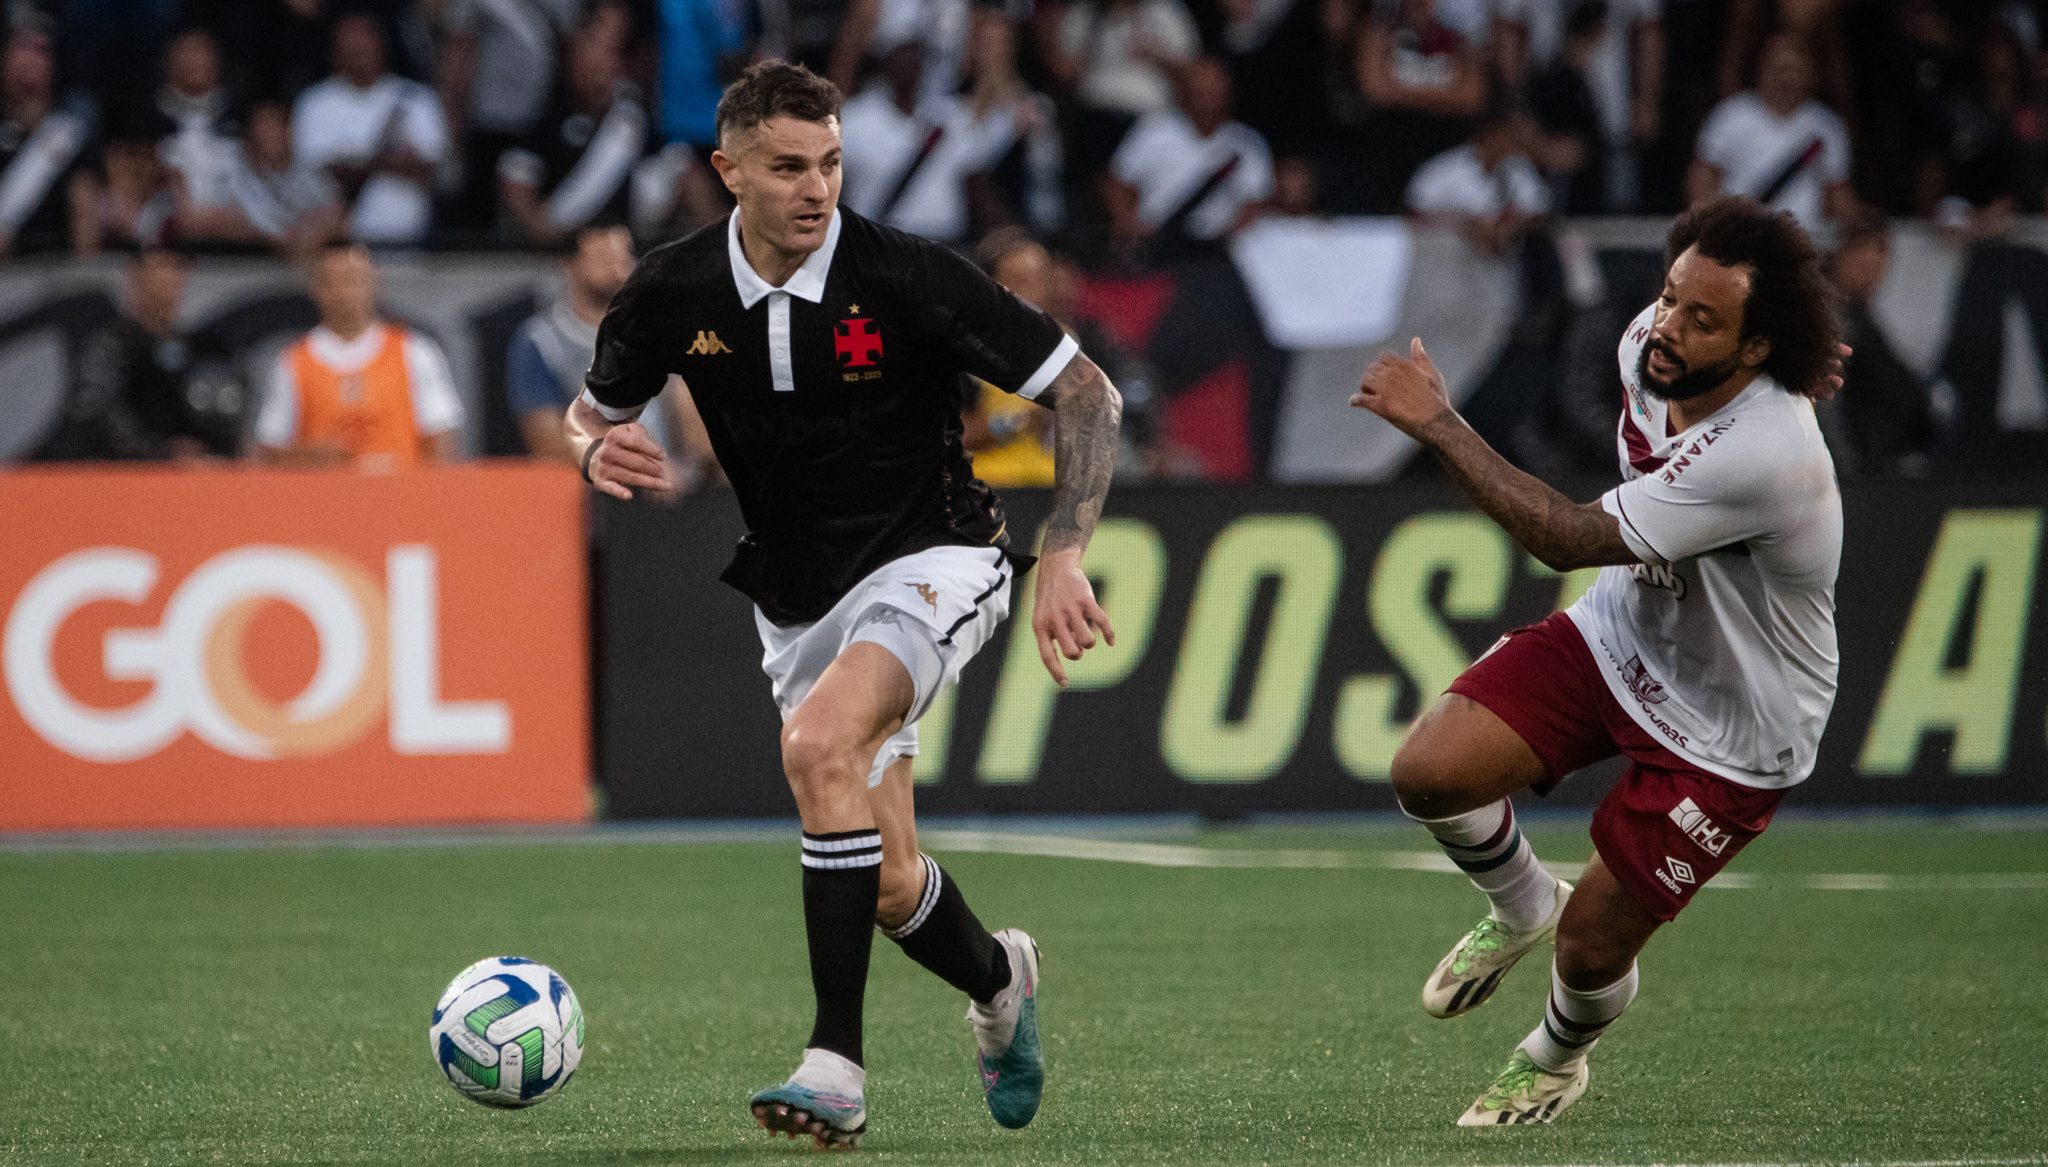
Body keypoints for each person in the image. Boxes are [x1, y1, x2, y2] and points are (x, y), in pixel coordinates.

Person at [565, 61, 1122, 1148]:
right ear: (728, 172)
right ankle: (999, 978)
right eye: (785, 168)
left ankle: (835, 1065)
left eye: (828, 164)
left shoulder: (907, 274)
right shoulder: (673, 290)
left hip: (936, 557)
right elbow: (590, 415)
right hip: (795, 593)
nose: (814, 189)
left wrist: (1062, 553)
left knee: (820, 748)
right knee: (882, 876)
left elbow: (1083, 390)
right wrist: (594, 453)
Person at [1348, 196, 1843, 1125]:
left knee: (1591, 946)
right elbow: (1603, 549)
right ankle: (1520, 901)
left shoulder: (1768, 452)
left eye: (1706, 320)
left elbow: (1570, 539)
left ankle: (1554, 1056)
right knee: (1427, 772)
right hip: (1625, 633)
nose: (1670, 327)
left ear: (1755, 351)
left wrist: (1441, 424)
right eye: (1670, 297)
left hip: (1734, 727)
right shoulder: (1646, 347)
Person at [507, 223, 714, 486]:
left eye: (624, 255)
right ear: (570, 264)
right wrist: (637, 465)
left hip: (675, 489)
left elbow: (700, 429)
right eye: (603, 256)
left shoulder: (662, 329)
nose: (618, 267)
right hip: (590, 490)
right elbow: (547, 446)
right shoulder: (540, 342)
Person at [252, 241, 464, 471]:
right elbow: (268, 453)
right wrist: (312, 456)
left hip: (400, 499)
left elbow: (442, 444)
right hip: (321, 501)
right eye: (333, 283)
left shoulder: (415, 352)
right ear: (316, 289)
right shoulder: (293, 361)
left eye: (352, 281)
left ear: (374, 283)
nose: (343, 293)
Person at [291, 15, 449, 245]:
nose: (358, 54)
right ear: (335, 51)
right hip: (336, 243)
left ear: (381, 47)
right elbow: (315, 169)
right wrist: (391, 162)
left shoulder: (416, 99)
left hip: (411, 239)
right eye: (350, 48)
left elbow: (433, 166)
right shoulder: (314, 103)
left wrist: (358, 161)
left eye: (364, 45)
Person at [1688, 32, 1853, 231]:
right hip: (1740, 238)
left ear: (1810, 74)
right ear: (1762, 70)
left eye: (1794, 70)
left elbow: (1837, 193)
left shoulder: (1826, 126)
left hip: (1802, 240)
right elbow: (1702, 179)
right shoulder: (1730, 116)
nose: (1786, 78)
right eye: (1780, 69)